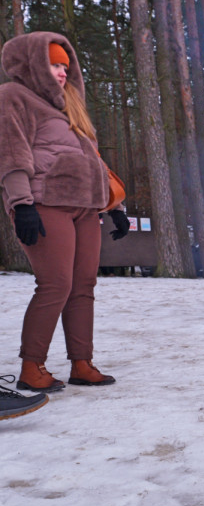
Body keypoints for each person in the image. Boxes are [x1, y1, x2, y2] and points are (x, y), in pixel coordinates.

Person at [1, 32, 130, 391]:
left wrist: (115, 205)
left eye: (64, 66)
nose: (61, 72)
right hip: (44, 203)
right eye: (53, 64)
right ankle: (32, 367)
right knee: (55, 284)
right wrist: (21, 204)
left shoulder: (70, 105)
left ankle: (82, 363)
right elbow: (11, 154)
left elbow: (93, 160)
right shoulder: (13, 96)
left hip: (86, 207)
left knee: (83, 285)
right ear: (33, 64)